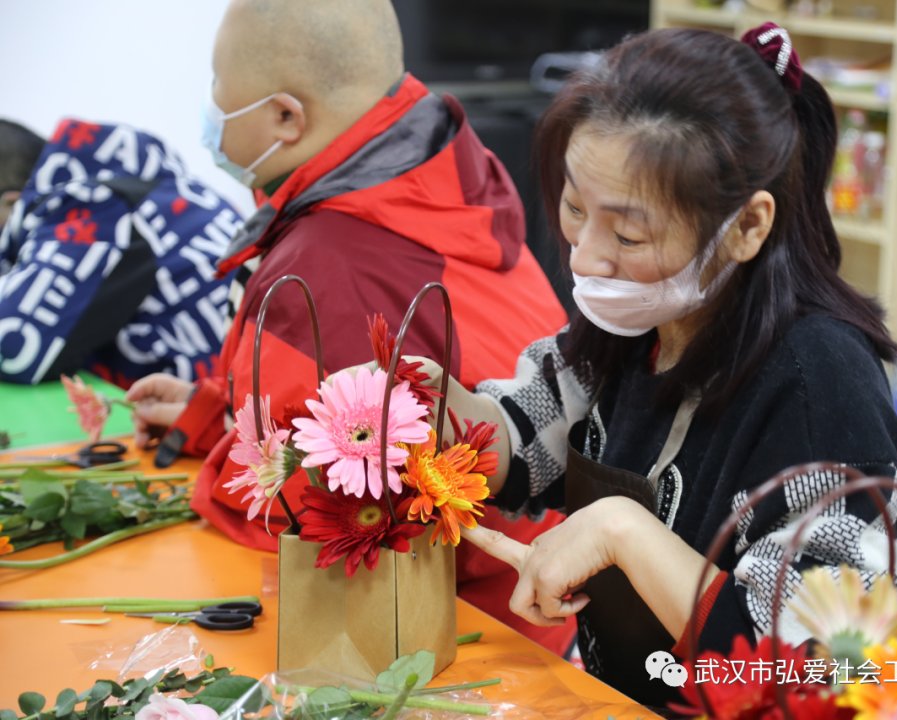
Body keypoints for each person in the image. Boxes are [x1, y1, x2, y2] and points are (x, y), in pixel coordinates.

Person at [415, 25, 897, 707]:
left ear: (748, 227)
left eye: (629, 234)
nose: (585, 257)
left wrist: (623, 532)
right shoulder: (639, 323)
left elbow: (828, 666)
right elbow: (525, 435)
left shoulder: (818, 383)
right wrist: (439, 412)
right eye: (577, 209)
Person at [124, 0, 572, 654]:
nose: (210, 105)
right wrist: (213, 412)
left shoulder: (324, 267)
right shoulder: (439, 176)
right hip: (546, 602)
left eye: (218, 84)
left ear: (285, 115)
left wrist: (223, 441)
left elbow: (292, 513)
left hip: (458, 639)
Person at [0, 118, 240, 387]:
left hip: (231, 409)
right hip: (234, 396)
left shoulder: (93, 206)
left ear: (9, 203)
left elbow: (13, 345)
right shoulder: (135, 180)